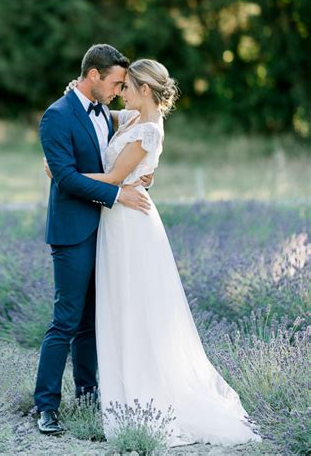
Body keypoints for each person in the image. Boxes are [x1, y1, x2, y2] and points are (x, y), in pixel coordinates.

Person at [84, 58, 262, 447]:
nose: (121, 94)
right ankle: (126, 393)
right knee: (122, 308)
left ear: (145, 90)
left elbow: (114, 179)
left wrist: (64, 174)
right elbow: (103, 114)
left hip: (131, 225)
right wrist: (77, 90)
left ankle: (144, 399)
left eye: (127, 87)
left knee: (136, 310)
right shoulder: (131, 119)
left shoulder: (147, 130)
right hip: (117, 223)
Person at [34, 44, 153, 436]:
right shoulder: (57, 116)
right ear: (94, 76)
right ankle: (46, 406)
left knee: (91, 322)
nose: (121, 90)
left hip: (107, 230)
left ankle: (88, 396)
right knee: (66, 320)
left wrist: (136, 179)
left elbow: (134, 145)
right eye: (116, 82)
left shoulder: (107, 112)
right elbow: (65, 178)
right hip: (73, 230)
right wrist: (119, 193)